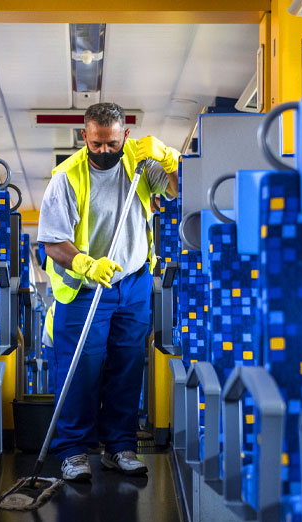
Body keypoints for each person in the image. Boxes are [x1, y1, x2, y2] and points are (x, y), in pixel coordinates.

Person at [37, 102, 180, 482]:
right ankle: (73, 451)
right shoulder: (66, 178)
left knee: (127, 365)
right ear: (85, 136)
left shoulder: (139, 161)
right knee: (80, 370)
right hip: (84, 287)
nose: (104, 152)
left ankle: (120, 447)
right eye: (97, 144)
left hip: (132, 282)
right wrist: (86, 264)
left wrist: (169, 159)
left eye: (112, 144)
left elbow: (179, 190)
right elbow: (53, 242)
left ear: (125, 136)